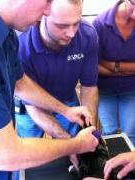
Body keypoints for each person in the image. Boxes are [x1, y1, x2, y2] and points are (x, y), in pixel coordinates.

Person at [0, 0, 99, 179]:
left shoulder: (6, 32)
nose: (47, 10)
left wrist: (65, 110)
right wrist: (75, 145)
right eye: (47, 1)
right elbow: (6, 155)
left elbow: (20, 83)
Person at [16, 0, 99, 168]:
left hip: (68, 101)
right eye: (62, 26)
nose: (72, 33)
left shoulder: (88, 35)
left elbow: (89, 87)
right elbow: (31, 103)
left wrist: (90, 130)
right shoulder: (21, 46)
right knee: (32, 161)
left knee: (78, 154)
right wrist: (69, 143)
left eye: (76, 23)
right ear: (42, 15)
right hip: (30, 108)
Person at [93, 0, 135, 145]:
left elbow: (101, 63)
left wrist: (113, 66)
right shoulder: (100, 24)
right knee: (109, 132)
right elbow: (93, 65)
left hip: (131, 89)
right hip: (104, 88)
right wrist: (128, 69)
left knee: (130, 132)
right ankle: (110, 166)